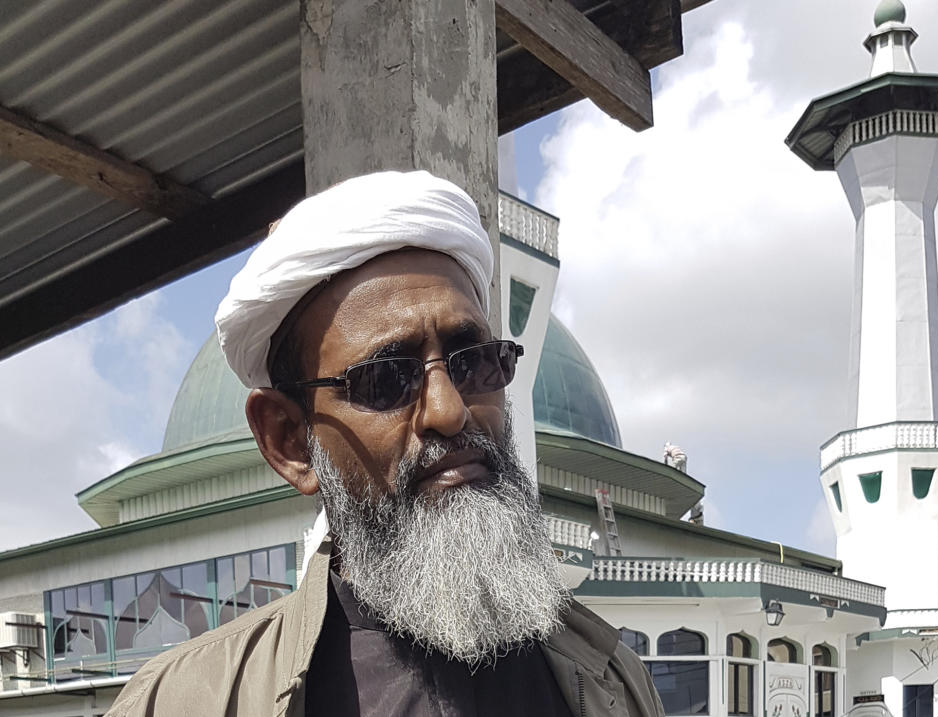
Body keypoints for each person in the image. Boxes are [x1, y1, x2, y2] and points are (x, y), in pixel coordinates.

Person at [106, 171, 664, 717]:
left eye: (471, 362)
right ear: (291, 441)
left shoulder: (611, 677)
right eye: (386, 380)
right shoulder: (184, 702)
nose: (449, 411)